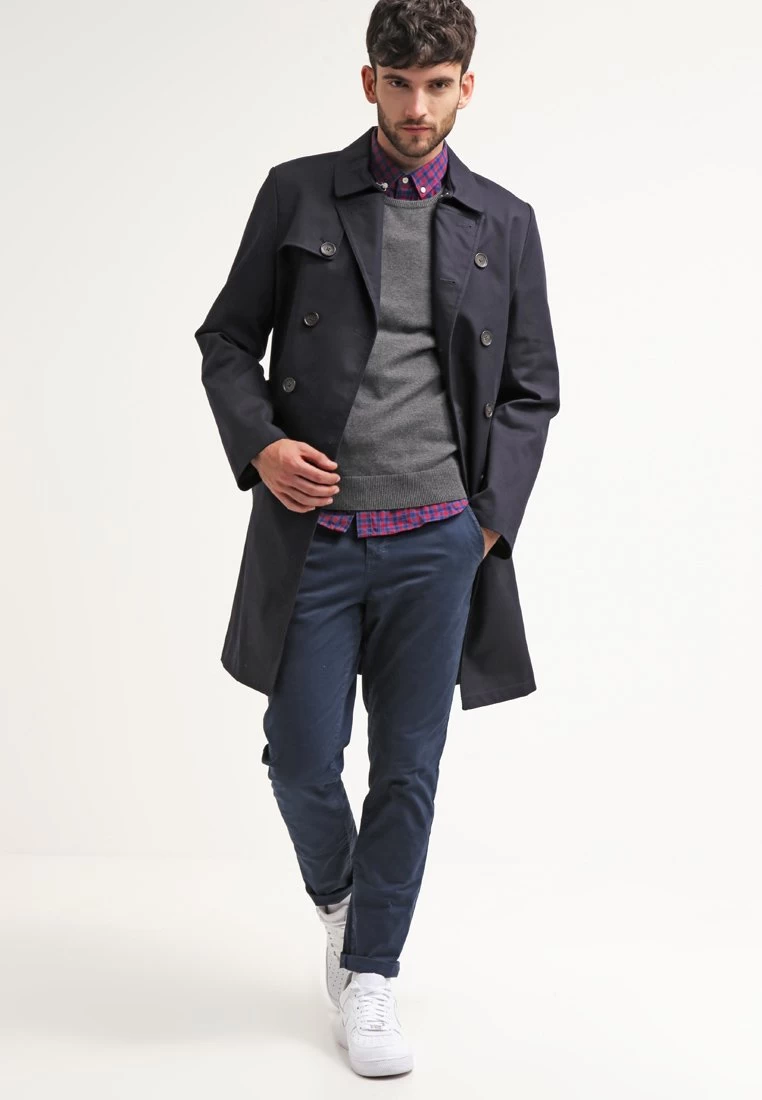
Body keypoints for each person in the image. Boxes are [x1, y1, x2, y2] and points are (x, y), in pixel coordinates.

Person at [194, 0, 560, 1078]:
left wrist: (486, 522)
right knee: (300, 754)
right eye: (398, 84)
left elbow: (531, 390)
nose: (416, 107)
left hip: (437, 543)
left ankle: (374, 975)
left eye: (437, 85)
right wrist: (262, 444)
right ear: (368, 82)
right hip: (315, 537)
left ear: (466, 87)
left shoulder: (504, 221)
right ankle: (346, 903)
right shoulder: (298, 191)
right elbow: (226, 340)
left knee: (408, 767)